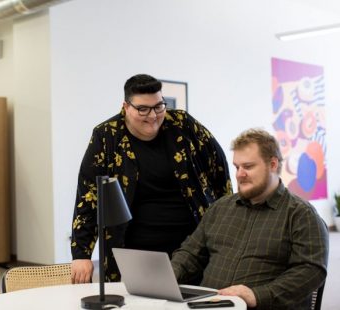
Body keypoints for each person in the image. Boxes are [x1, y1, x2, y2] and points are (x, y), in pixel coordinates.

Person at [71, 74, 232, 283]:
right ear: (125, 107)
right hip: (134, 248)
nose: (153, 115)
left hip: (191, 246)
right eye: (143, 109)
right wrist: (81, 254)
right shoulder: (106, 136)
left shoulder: (184, 125)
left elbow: (219, 170)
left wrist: (228, 225)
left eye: (159, 106)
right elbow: (89, 195)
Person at [171, 128, 329, 309]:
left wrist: (256, 295)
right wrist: (168, 276)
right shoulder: (220, 208)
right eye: (237, 167)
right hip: (206, 305)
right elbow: (191, 253)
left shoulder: (301, 215)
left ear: (273, 164)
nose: (239, 174)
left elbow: (311, 271)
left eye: (248, 166)